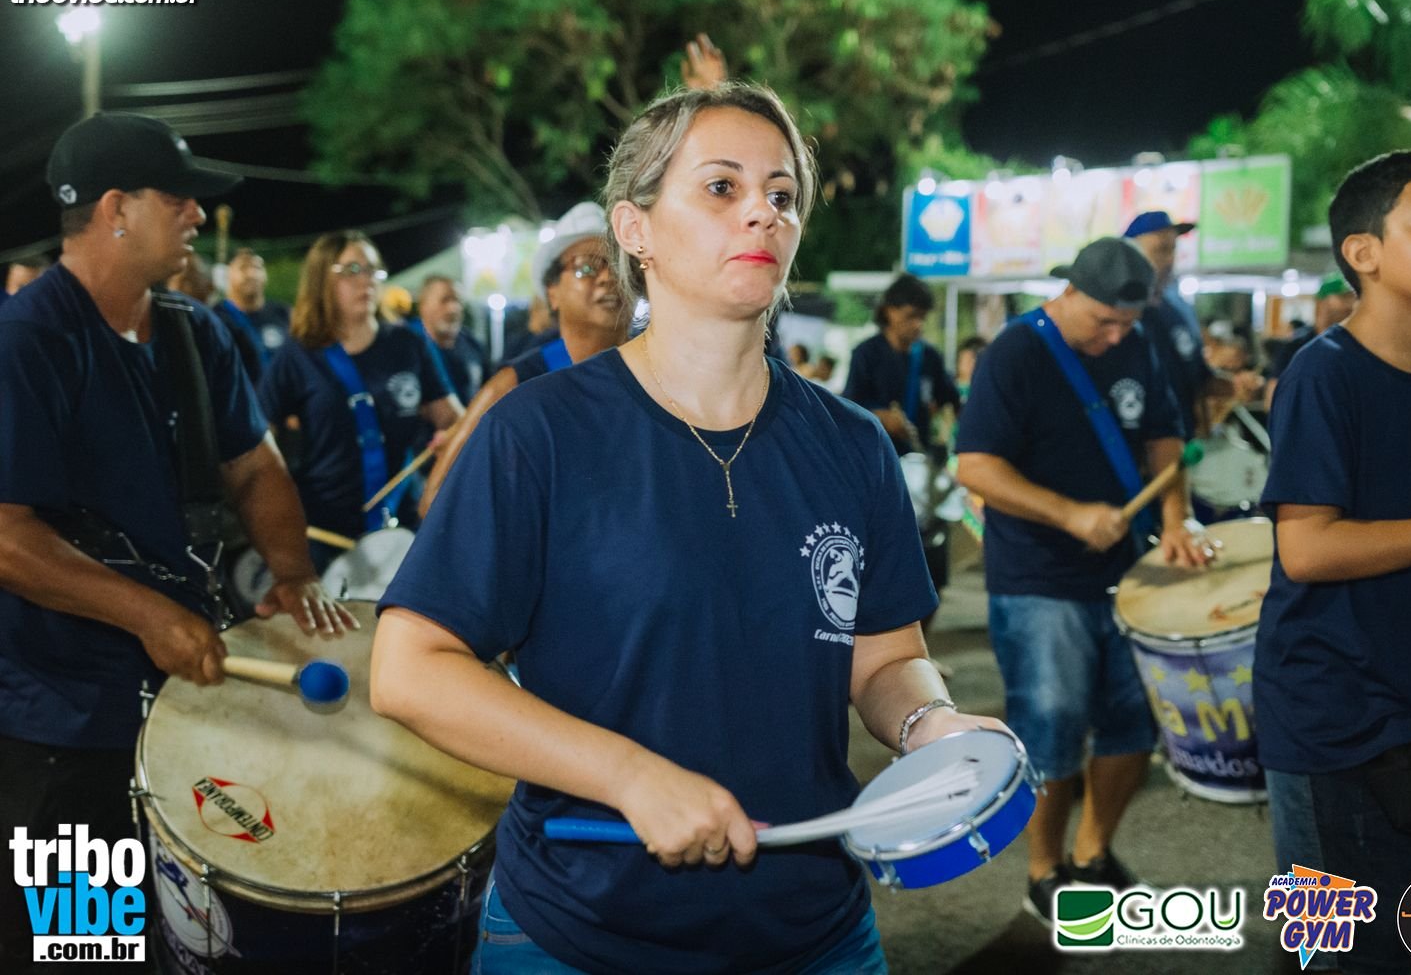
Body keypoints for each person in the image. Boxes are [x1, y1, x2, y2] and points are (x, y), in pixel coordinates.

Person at [372, 82, 1002, 974]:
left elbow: (884, 658)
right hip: (581, 931)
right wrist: (629, 775)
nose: (763, 213)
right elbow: (410, 669)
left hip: (816, 931)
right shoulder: (539, 432)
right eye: (721, 187)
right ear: (635, 229)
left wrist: (927, 725)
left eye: (782, 194)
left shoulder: (853, 443)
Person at [0, 112, 354, 972]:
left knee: (197, 944)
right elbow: (8, 538)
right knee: (85, 950)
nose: (199, 213)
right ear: (116, 209)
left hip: (188, 711)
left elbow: (256, 467)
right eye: (178, 197)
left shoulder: (196, 333)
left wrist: (293, 573)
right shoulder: (27, 341)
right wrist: (148, 614)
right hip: (67, 725)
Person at [1256, 149, 1411, 974]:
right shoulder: (1322, 376)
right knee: (1341, 952)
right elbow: (1307, 549)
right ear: (1363, 252)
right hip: (1328, 717)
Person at [955, 237, 1211, 923]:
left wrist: (1176, 520)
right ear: (1069, 292)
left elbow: (1164, 438)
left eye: (1128, 323)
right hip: (1038, 578)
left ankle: (1094, 853)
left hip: (1125, 574)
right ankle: (1044, 869)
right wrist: (1069, 514)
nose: (1116, 336)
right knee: (1052, 724)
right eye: (1103, 321)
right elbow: (975, 466)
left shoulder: (1137, 344)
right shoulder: (1015, 353)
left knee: (1134, 721)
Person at [257, 231, 462, 558]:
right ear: (321, 279)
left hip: (403, 523)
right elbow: (258, 444)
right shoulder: (296, 356)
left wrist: (448, 445)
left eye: (373, 270)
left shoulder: (408, 344)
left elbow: (453, 421)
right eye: (352, 270)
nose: (366, 280)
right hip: (324, 532)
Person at [418, 202, 626, 517]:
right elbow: (436, 499)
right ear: (552, 293)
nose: (608, 277)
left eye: (620, 265)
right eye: (586, 267)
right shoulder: (515, 384)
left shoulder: (660, 372)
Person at [1125, 210, 1261, 431]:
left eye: (1173, 249)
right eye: (1160, 250)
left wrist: (1234, 385)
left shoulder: (1179, 309)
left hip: (1182, 439)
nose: (1170, 259)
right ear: (1129, 252)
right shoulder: (1119, 313)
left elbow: (1198, 377)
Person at [843, 273, 962, 457]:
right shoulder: (866, 354)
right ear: (889, 311)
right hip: (874, 454)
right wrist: (882, 417)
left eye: (922, 317)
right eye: (911, 316)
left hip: (918, 456)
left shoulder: (930, 357)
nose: (918, 324)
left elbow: (951, 398)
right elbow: (848, 407)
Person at [1263, 273, 1356, 409]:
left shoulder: (1355, 347)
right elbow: (1272, 398)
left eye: (1353, 298)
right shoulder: (1295, 348)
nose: (1351, 305)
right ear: (1321, 302)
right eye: (1344, 297)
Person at [412, 274, 488, 406]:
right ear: (423, 305)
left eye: (458, 301)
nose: (453, 308)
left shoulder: (473, 345)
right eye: (444, 300)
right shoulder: (408, 346)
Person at [218, 246, 292, 370]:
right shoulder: (218, 318)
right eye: (243, 268)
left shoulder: (283, 312)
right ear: (227, 274)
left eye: (257, 267)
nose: (252, 274)